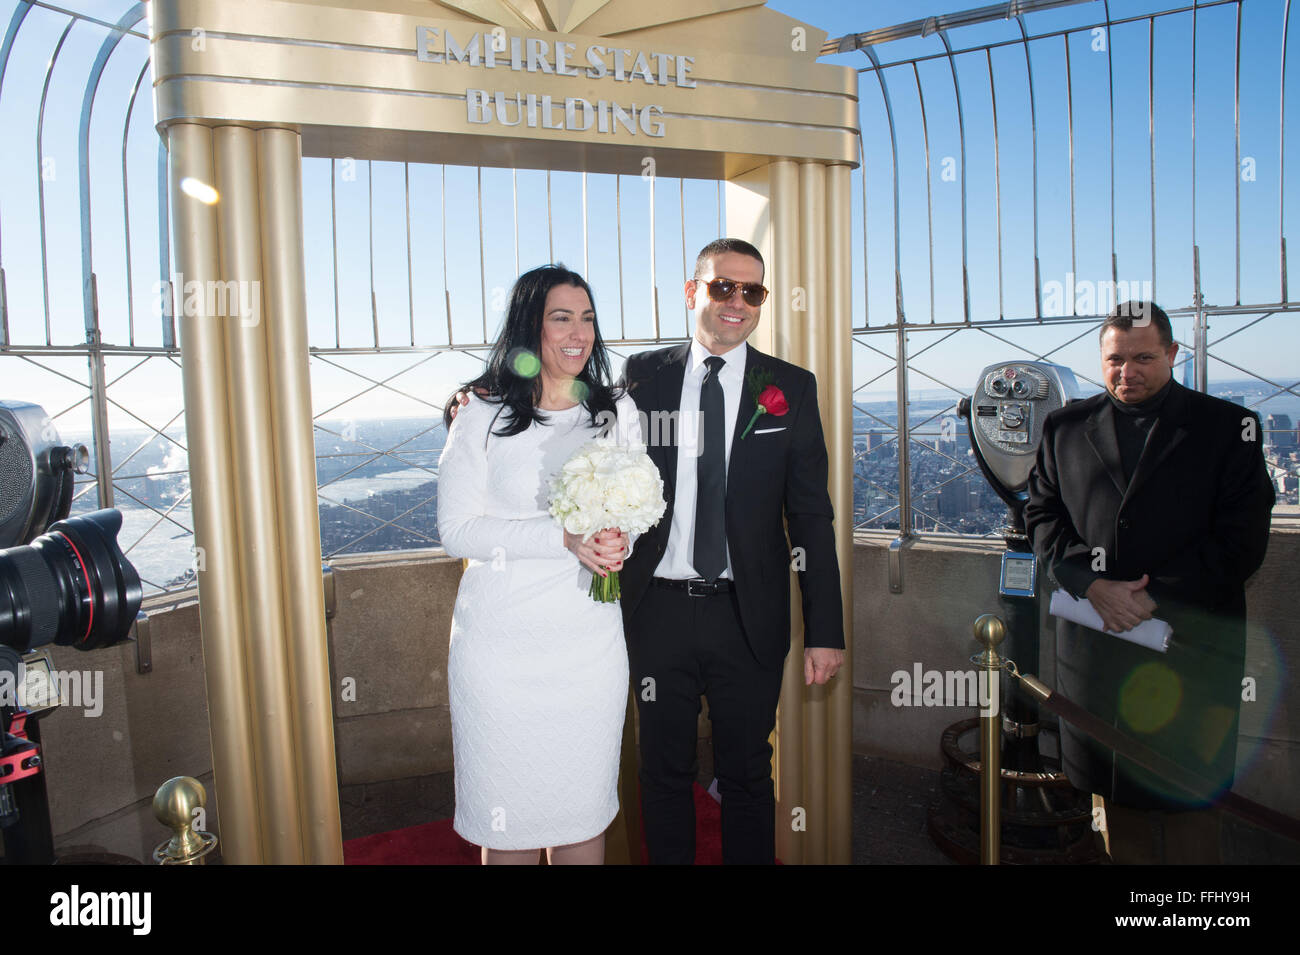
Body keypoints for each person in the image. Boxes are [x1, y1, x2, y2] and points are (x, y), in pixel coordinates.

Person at [618, 237, 845, 865]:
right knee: (661, 773)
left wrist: (825, 630)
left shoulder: (790, 389)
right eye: (723, 286)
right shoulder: (643, 375)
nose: (737, 302)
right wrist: (472, 399)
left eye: (753, 291)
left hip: (747, 616)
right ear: (693, 292)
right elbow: (579, 427)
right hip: (656, 613)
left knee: (748, 775)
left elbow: (810, 516)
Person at [1024, 300, 1274, 864]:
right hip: (1097, 650)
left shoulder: (1227, 428)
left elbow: (1241, 541)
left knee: (1191, 801)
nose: (1126, 371)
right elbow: (1040, 517)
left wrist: (1148, 595)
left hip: (1190, 648)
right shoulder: (1063, 427)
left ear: (1173, 354)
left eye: (1143, 357)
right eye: (1115, 359)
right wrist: (1092, 586)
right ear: (1100, 359)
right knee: (1114, 803)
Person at [436, 264, 639, 865]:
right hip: (501, 649)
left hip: (588, 645)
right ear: (531, 324)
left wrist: (616, 537)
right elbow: (457, 531)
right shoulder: (481, 414)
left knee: (583, 818)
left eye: (588, 318)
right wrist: (566, 539)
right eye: (560, 317)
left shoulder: (615, 414)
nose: (578, 333)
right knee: (509, 829)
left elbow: (632, 502)